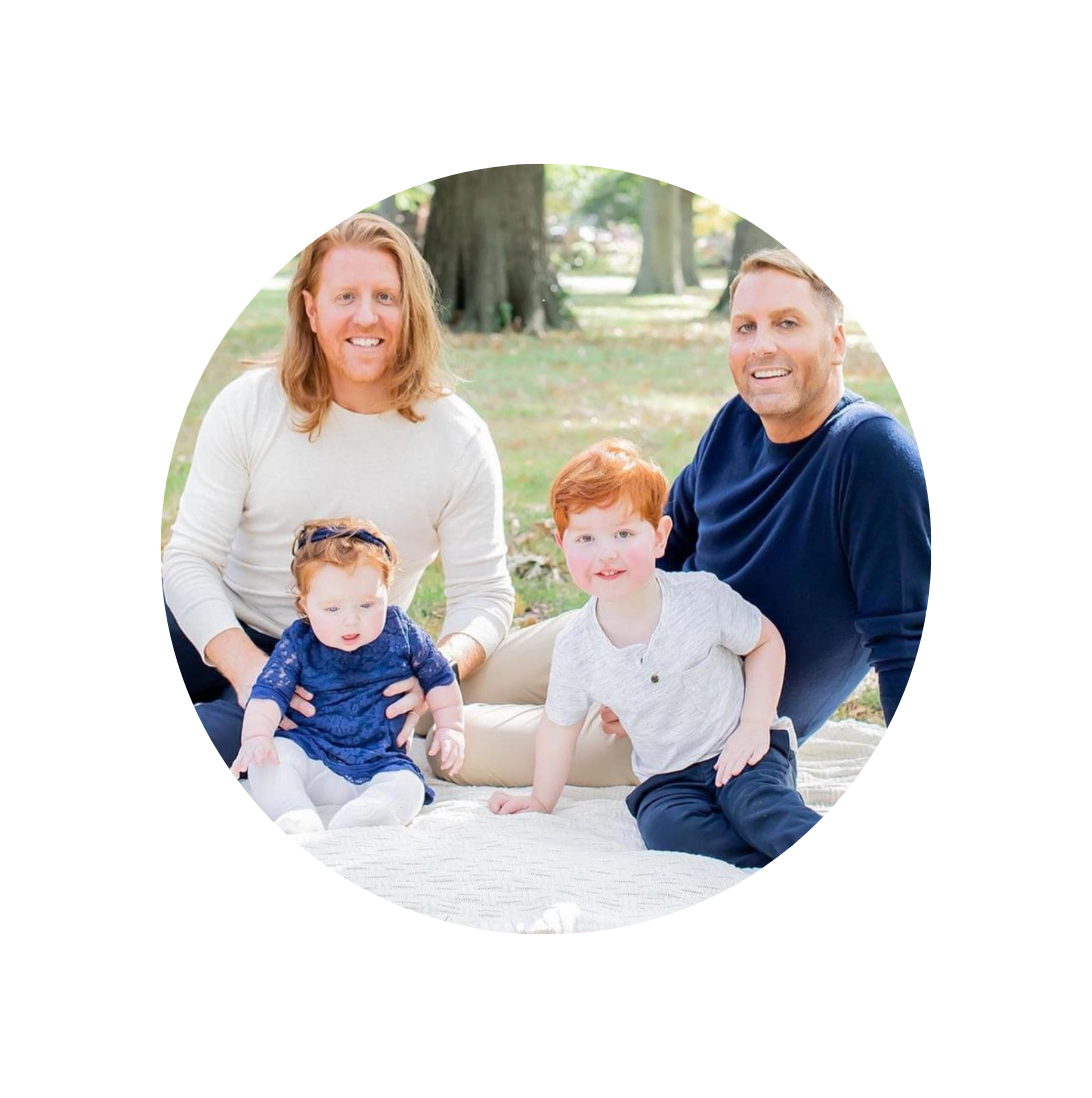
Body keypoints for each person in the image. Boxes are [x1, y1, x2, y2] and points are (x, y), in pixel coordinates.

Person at [454, 248, 929, 786]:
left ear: (837, 342)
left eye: (787, 323)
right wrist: (625, 665)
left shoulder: (871, 453)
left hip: (701, 729)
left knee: (454, 739)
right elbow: (666, 537)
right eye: (745, 327)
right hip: (627, 629)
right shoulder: (736, 423)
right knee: (449, 683)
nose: (762, 345)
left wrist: (649, 685)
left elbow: (905, 639)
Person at [164, 213, 514, 770]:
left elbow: (485, 596)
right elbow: (188, 560)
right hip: (214, 623)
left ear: (412, 308)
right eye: (345, 296)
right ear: (310, 308)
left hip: (338, 661)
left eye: (385, 297)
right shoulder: (248, 405)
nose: (367, 315)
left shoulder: (457, 437)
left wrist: (434, 673)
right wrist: (248, 667)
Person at [489, 441, 819, 867]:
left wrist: (754, 725)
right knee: (666, 831)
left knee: (759, 808)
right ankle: (758, 855)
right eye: (586, 537)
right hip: (668, 777)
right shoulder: (576, 644)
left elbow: (765, 642)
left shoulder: (701, 597)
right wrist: (540, 799)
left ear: (660, 537)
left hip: (738, 748)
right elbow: (560, 726)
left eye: (624, 534)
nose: (606, 552)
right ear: (562, 543)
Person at [231, 518, 464, 835]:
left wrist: (451, 727)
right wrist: (256, 736)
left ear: (387, 590)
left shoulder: (402, 632)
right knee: (271, 759)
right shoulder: (300, 642)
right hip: (311, 751)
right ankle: (293, 812)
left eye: (367, 604)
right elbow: (269, 692)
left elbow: (439, 678)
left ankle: (372, 813)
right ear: (305, 605)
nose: (351, 621)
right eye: (332, 610)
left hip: (379, 760)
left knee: (407, 784)